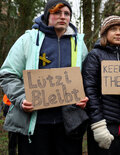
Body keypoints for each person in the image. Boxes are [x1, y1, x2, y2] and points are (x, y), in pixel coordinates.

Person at [0, 0, 89, 154]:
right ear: (48, 15)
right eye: (57, 12)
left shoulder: (79, 44)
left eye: (66, 13)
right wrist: (21, 99)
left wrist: (84, 97)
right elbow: (8, 74)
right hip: (34, 124)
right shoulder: (27, 40)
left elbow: (87, 78)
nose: (62, 17)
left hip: (68, 125)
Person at [82, 15, 120, 155]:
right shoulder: (95, 56)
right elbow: (89, 89)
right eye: (113, 29)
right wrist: (98, 125)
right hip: (104, 126)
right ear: (105, 33)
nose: (118, 33)